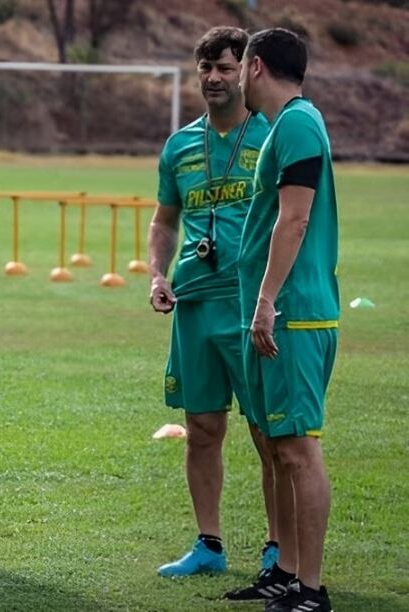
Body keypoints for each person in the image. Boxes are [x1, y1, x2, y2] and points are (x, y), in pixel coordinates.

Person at [148, 26, 278, 578]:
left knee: (268, 430)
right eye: (206, 68)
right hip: (195, 302)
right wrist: (156, 272)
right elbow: (164, 220)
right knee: (202, 428)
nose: (214, 78)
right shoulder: (179, 146)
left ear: (246, 70)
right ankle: (209, 545)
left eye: (225, 67)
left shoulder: (272, 134)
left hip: (250, 303)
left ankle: (279, 547)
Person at [224, 28, 338, 612]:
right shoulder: (285, 126)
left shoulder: (296, 122)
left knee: (297, 449)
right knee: (276, 444)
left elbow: (293, 220)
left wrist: (267, 301)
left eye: (239, 66)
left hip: (293, 314)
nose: (237, 76)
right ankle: (287, 573)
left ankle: (311, 591)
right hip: (273, 312)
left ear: (257, 67)